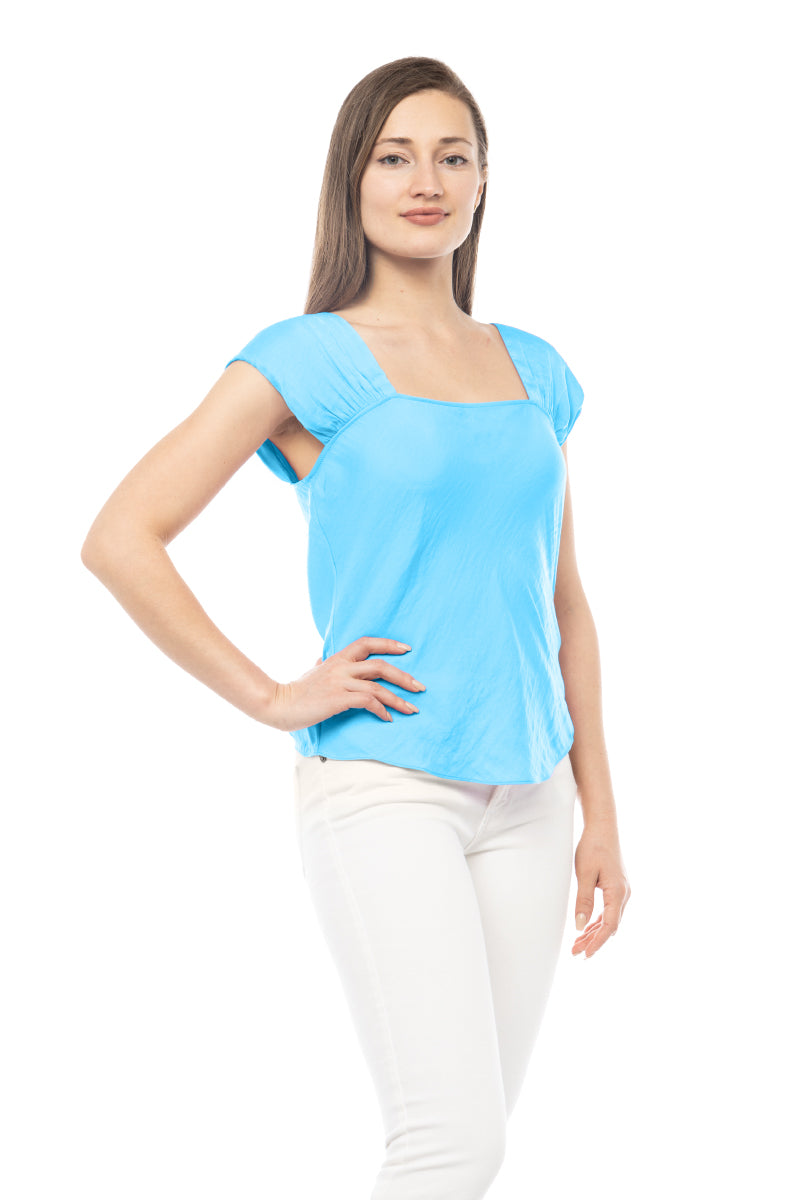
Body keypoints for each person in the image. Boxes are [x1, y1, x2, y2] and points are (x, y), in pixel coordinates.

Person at [82, 55, 630, 1200]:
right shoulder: (307, 358)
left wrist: (600, 816)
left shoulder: (534, 370)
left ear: (483, 181)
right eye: (393, 157)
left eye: (451, 156)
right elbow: (123, 537)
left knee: (469, 1148)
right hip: (385, 785)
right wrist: (273, 696)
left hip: (530, 799)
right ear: (352, 179)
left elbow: (564, 602)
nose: (424, 181)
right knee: (450, 1145)